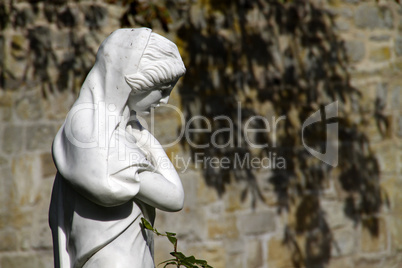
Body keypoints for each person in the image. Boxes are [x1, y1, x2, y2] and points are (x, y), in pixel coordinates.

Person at [49, 28, 186, 268]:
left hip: (131, 253)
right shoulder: (93, 133)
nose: (165, 101)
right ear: (131, 80)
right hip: (113, 259)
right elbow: (174, 197)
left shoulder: (117, 128)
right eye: (162, 89)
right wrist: (148, 141)